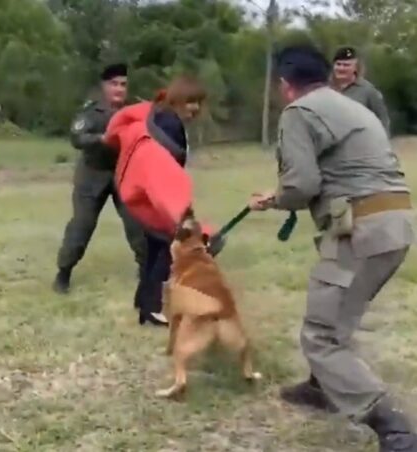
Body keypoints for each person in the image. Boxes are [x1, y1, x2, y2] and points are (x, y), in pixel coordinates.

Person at [249, 45, 415, 452]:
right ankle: (322, 387)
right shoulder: (350, 106)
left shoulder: (298, 112)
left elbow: (303, 183)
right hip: (395, 222)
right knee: (338, 314)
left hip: (361, 228)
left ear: (286, 85)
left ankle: (393, 427)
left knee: (321, 336)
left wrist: (281, 197)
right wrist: (278, 196)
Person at [104, 76, 221, 327]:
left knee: (153, 250)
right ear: (176, 100)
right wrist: (190, 222)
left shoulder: (160, 119)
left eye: (199, 102)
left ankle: (144, 304)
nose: (195, 109)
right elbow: (162, 174)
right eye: (190, 102)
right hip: (150, 197)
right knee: (164, 252)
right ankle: (153, 307)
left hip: (139, 195)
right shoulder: (167, 126)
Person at [54, 63, 147, 294]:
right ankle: (63, 273)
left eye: (123, 84)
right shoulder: (91, 112)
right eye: (114, 84)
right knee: (81, 226)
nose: (119, 89)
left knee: (138, 224)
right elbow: (77, 138)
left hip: (123, 174)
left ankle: (146, 269)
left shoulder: (134, 111)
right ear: (104, 86)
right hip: (91, 176)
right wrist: (101, 139)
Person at [330, 46, 391, 135]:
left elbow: (382, 119)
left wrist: (383, 143)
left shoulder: (368, 90)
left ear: (355, 68)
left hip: (360, 143)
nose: (341, 68)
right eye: (338, 64)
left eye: (346, 65)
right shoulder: (324, 87)